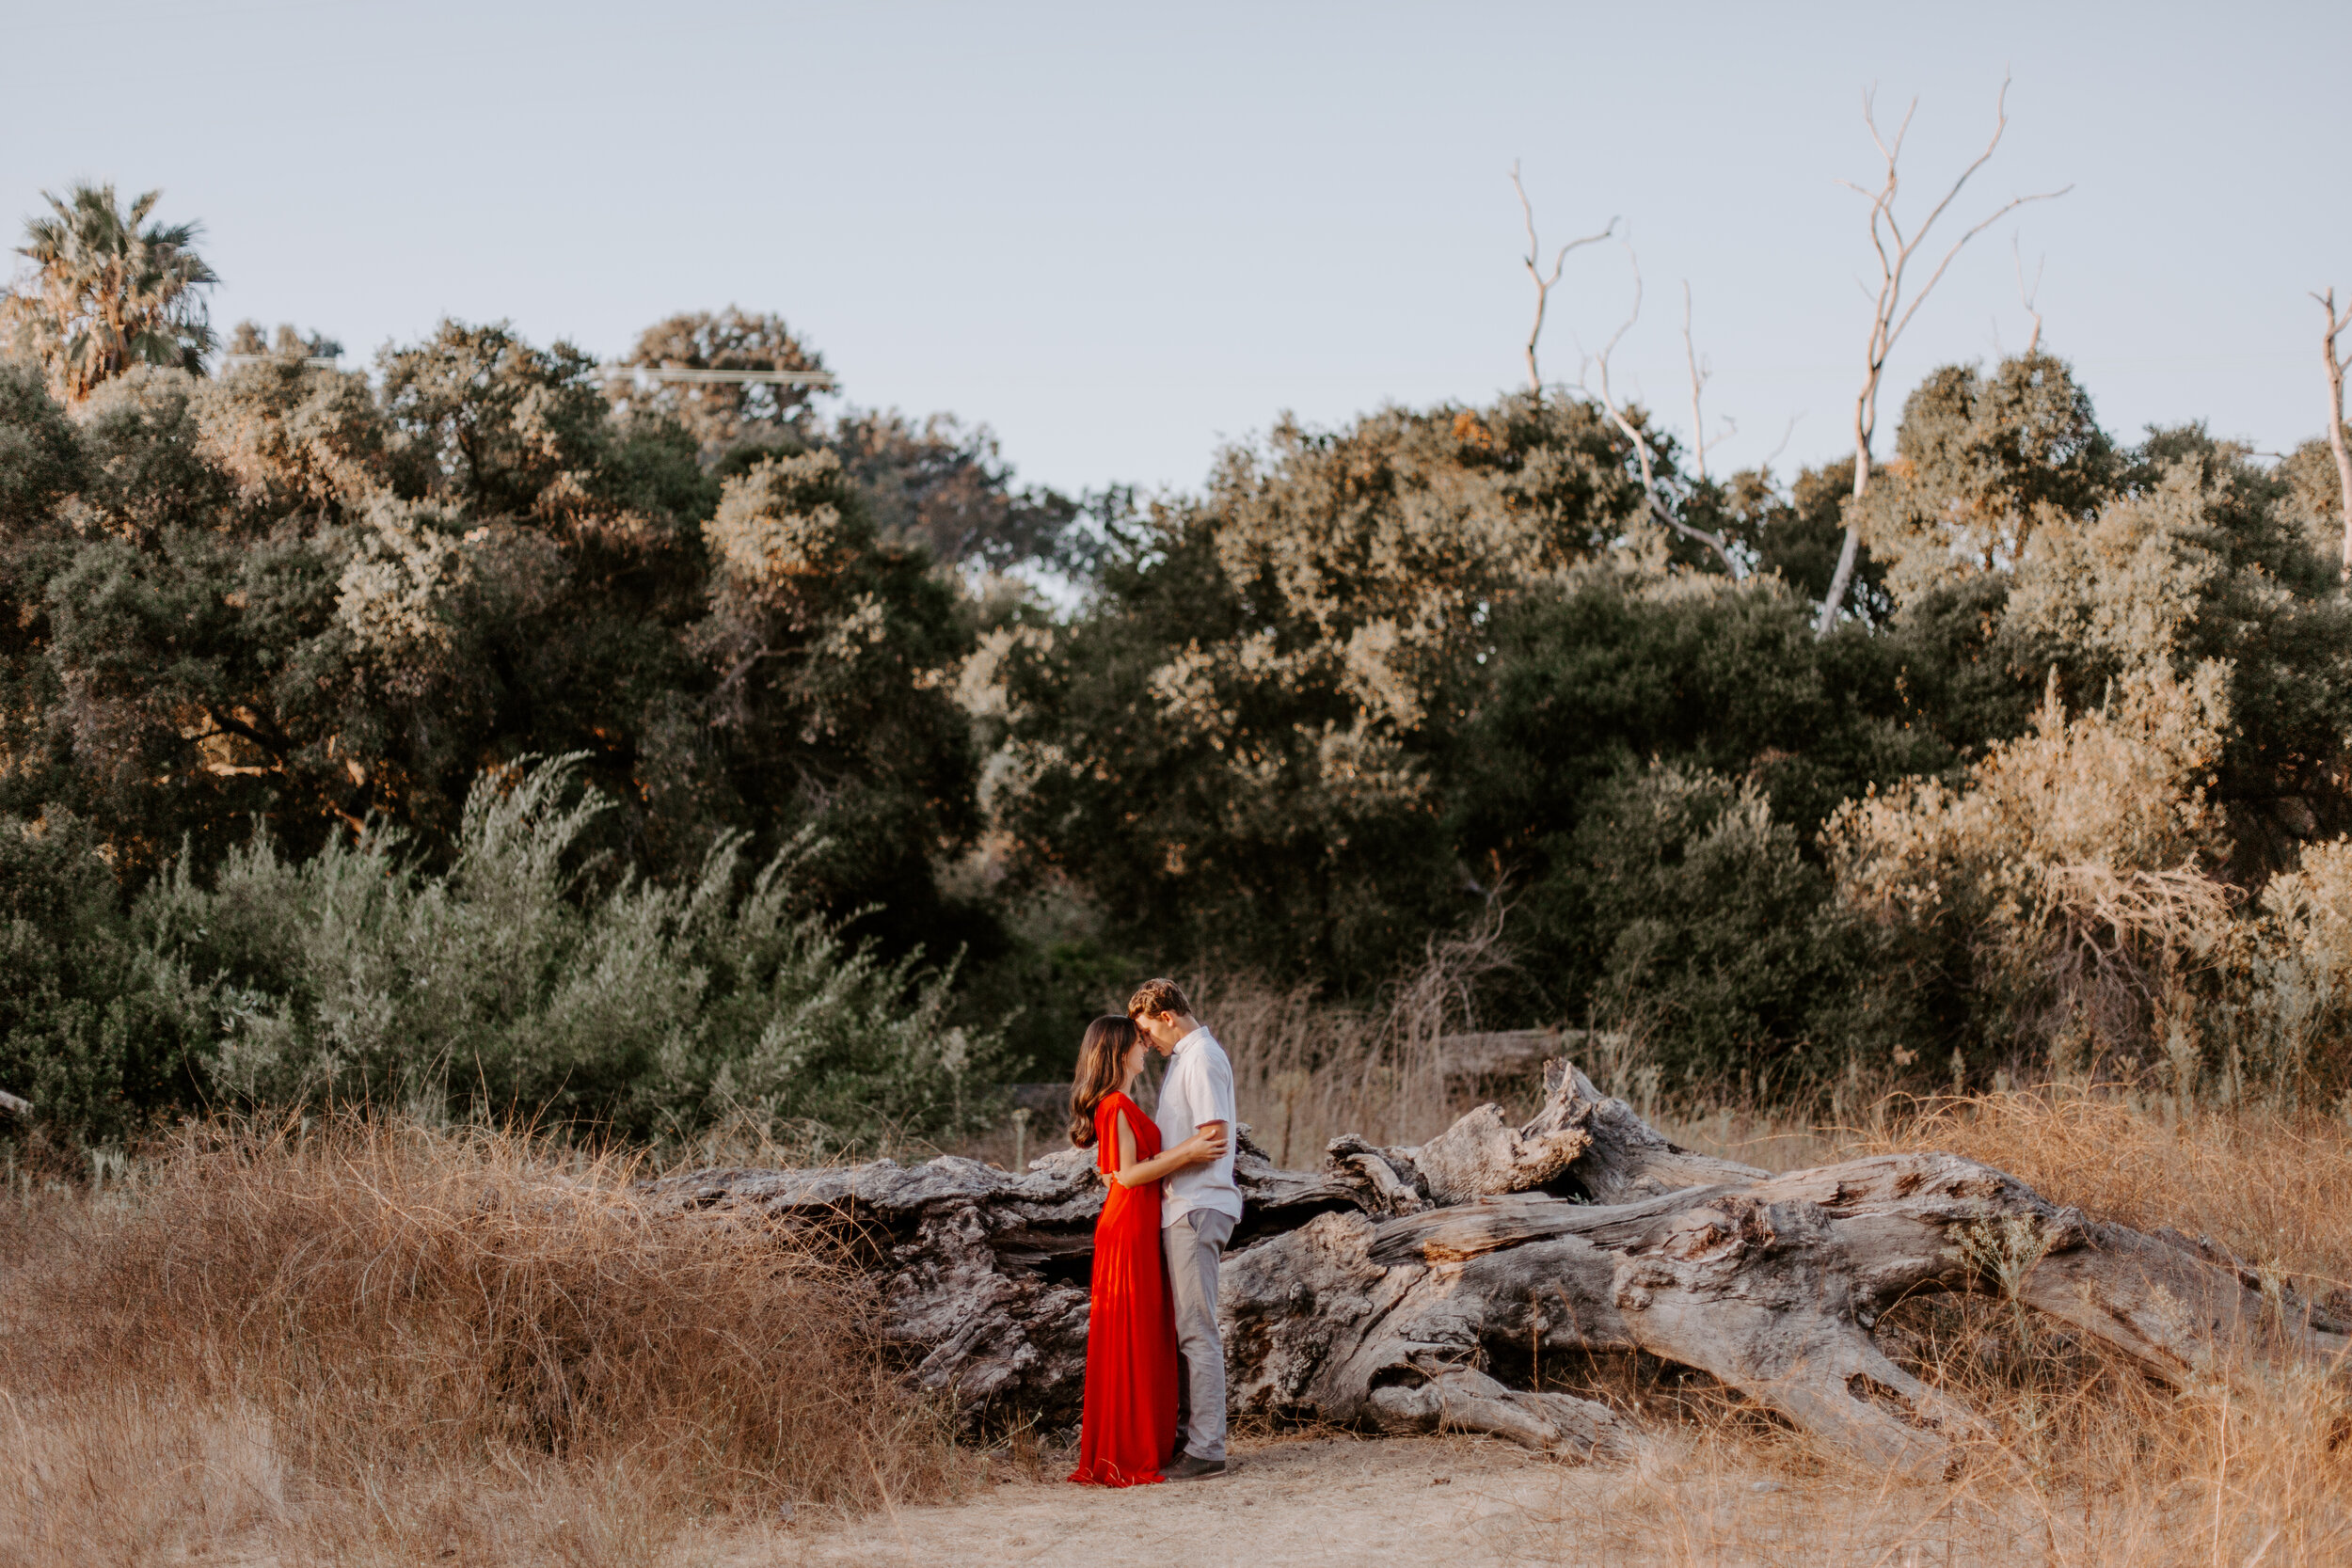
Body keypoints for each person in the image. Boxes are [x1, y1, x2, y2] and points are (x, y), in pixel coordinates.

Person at [1065, 1014, 1228, 1487]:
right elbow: (1130, 1174)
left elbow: (1120, 1169)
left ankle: (1148, 1439)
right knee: (1132, 1334)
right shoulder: (1114, 1103)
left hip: (1139, 1220)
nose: (1145, 1047)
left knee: (1145, 1334)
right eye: (1137, 1042)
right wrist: (1190, 1152)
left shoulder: (1120, 1103)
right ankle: (1129, 1447)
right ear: (1119, 1054)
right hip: (1128, 1225)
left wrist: (1167, 1157)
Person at [1126, 977, 1240, 1481]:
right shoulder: (1185, 1060)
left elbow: (1212, 1138)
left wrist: (1155, 1163)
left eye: (1147, 1029)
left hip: (1197, 1206)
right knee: (1183, 1330)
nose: (1146, 1041)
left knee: (1197, 1329)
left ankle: (1207, 1448)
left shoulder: (1200, 1059)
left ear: (1166, 1016)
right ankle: (1186, 1436)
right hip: (1183, 1207)